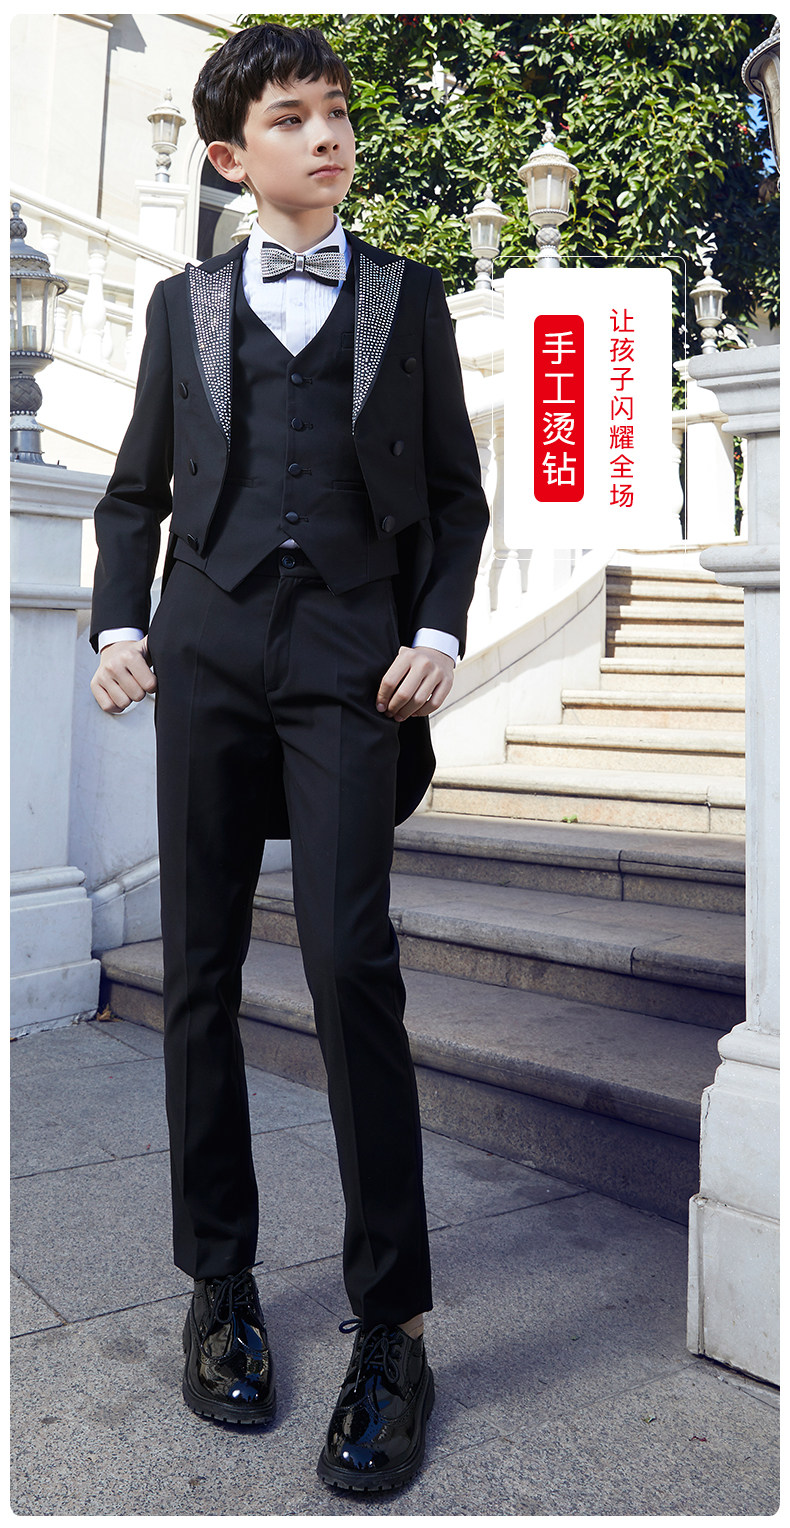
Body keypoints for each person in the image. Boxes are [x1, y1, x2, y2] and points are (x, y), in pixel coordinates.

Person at [89, 20, 488, 1493]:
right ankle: (220, 1284)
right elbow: (134, 494)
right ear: (227, 154)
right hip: (203, 648)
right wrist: (114, 627)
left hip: (348, 662)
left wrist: (435, 627)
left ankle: (395, 1325)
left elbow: (456, 497)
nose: (326, 136)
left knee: (348, 965)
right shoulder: (182, 305)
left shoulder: (406, 295)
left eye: (336, 112)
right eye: (289, 117)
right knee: (197, 972)